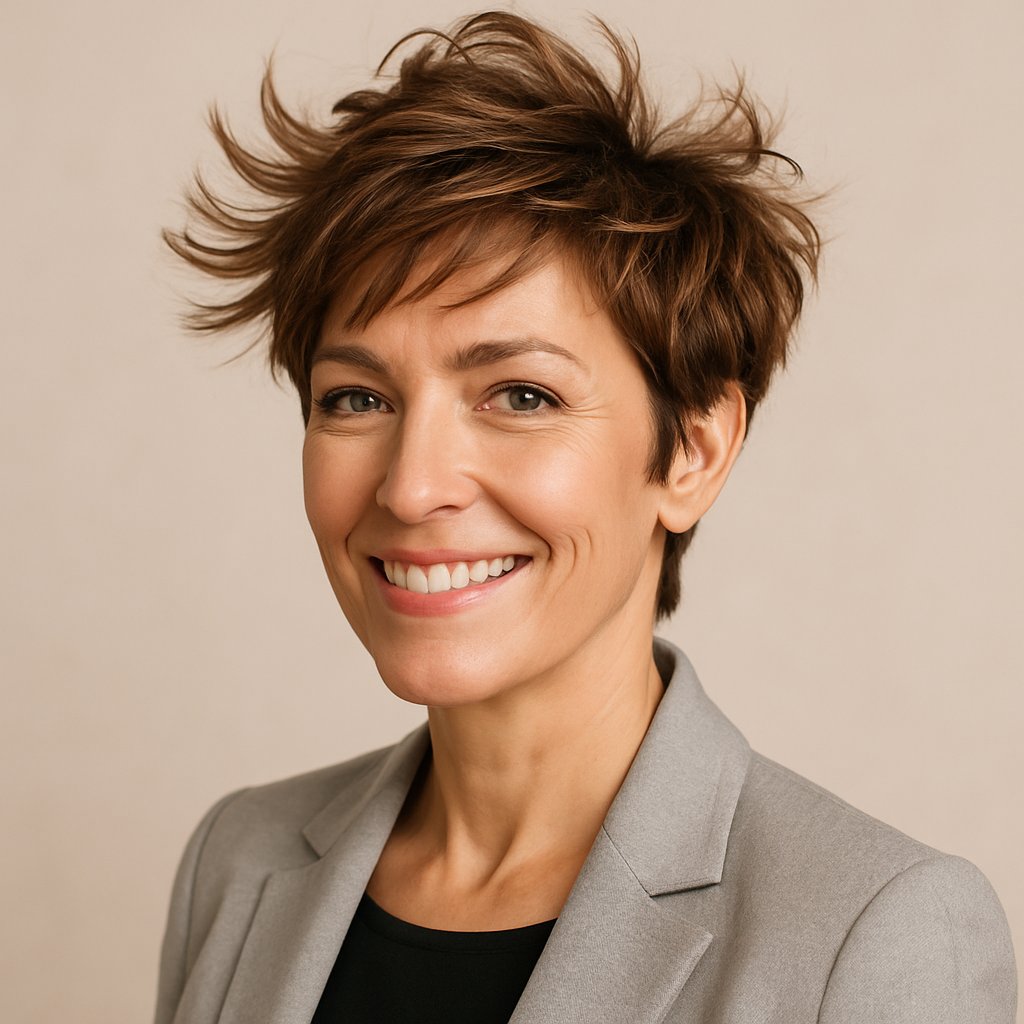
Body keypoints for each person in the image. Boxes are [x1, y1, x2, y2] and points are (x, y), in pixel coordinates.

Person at [155, 10, 1017, 1023]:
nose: (410, 484)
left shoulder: (874, 933)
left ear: (692, 448)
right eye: (357, 397)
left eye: (520, 394)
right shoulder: (239, 860)